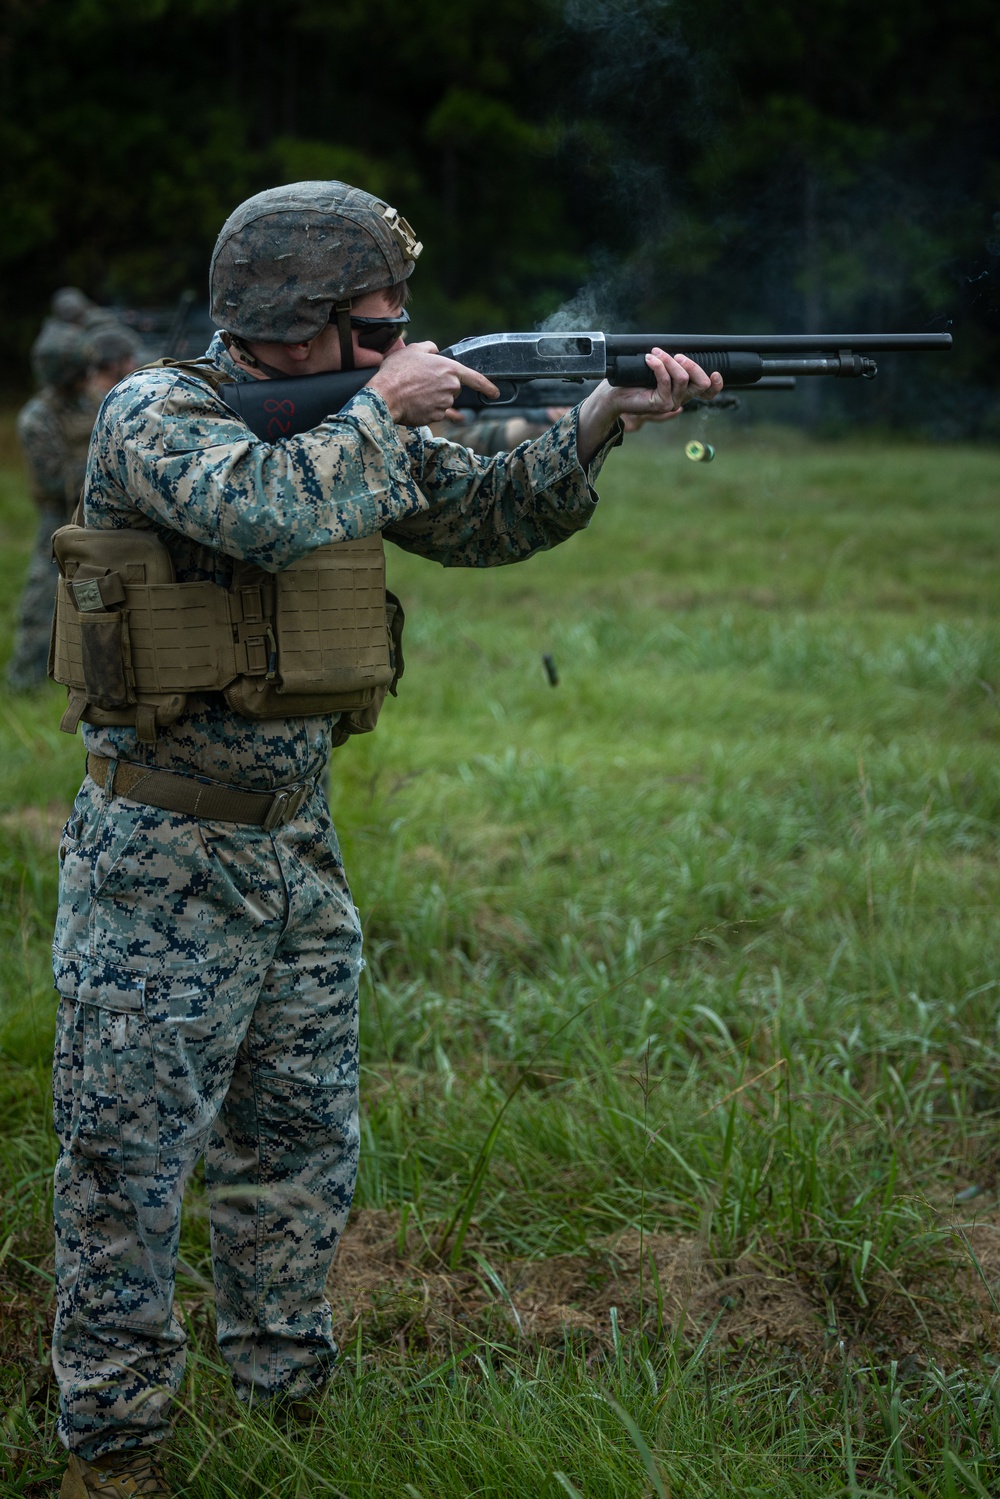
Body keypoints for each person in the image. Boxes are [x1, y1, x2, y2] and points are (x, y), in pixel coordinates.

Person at [50, 180, 721, 1498]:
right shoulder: (157, 414)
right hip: (158, 860)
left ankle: (284, 1409)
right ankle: (114, 1451)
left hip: (295, 858)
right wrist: (377, 407)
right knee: (125, 1166)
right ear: (290, 323)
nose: (395, 344)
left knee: (299, 1146)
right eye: (373, 326)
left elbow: (481, 517)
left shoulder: (347, 420)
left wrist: (599, 420)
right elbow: (260, 511)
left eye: (398, 329)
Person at [5, 325, 96, 692]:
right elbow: (57, 478)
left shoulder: (92, 402)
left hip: (94, 517)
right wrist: (105, 468)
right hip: (57, 520)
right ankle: (23, 683)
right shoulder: (37, 417)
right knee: (43, 601)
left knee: (99, 595)